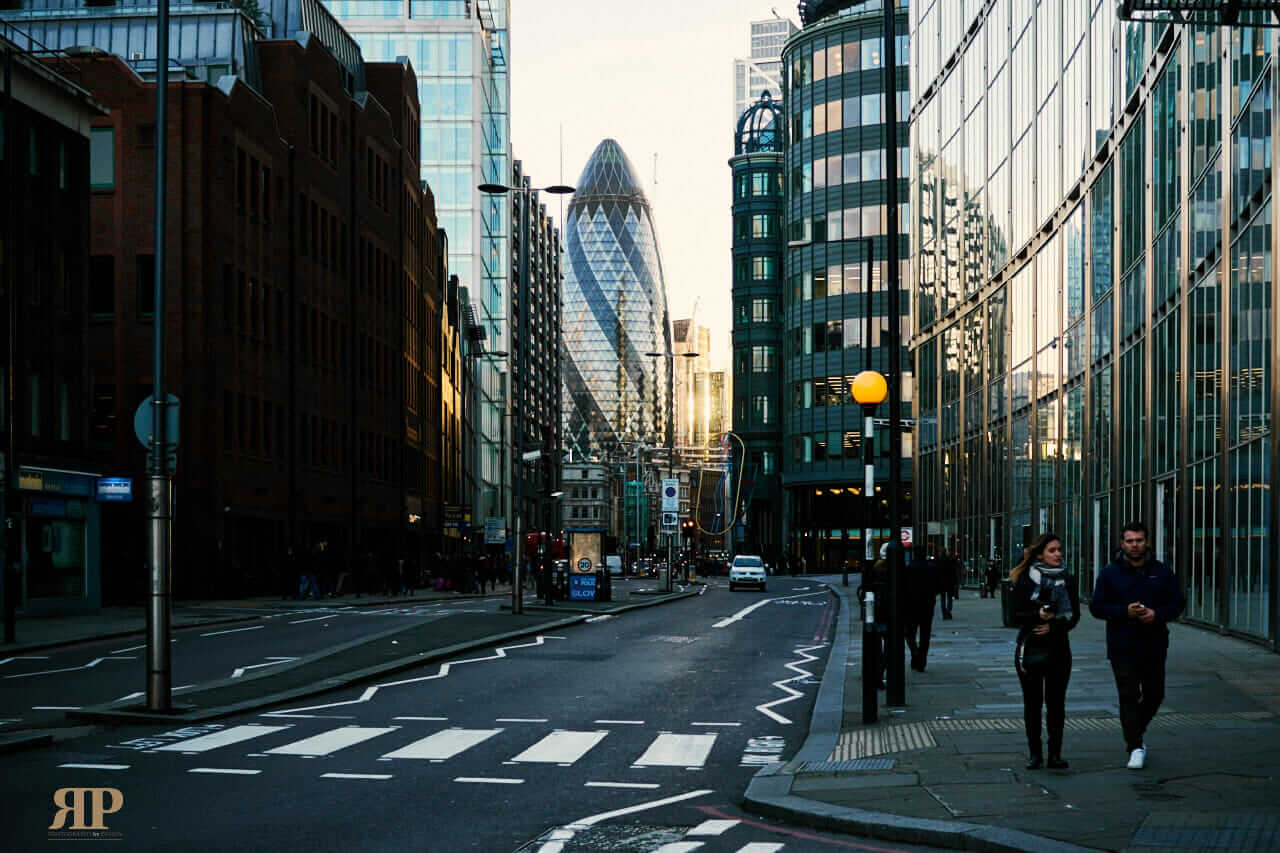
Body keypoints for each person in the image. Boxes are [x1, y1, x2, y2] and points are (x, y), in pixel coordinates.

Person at [1090, 521, 1185, 770]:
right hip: (1122, 645)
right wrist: (1124, 612)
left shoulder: (1162, 571)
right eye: (1130, 541)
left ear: (1147, 542)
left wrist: (1157, 614)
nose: (1134, 545)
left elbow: (1177, 603)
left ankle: (1134, 731)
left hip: (1154, 643)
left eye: (1139, 540)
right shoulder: (1110, 572)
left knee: (1155, 694)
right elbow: (1096, 607)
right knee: (1128, 696)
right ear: (1122, 543)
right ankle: (1135, 746)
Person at [1011, 532, 1080, 770]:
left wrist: (1053, 625)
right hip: (1029, 649)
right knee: (1032, 703)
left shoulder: (1068, 579)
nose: (1058, 554)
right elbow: (1014, 614)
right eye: (1052, 550)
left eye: (1059, 549)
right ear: (1040, 554)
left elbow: (1074, 617)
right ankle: (1035, 754)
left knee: (1056, 703)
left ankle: (1055, 754)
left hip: (1058, 647)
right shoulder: (1026, 579)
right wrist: (1036, 616)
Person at [903, 549, 939, 672]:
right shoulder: (932, 568)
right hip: (927, 605)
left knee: (909, 633)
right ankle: (921, 661)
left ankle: (915, 653)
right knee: (925, 635)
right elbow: (938, 586)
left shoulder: (908, 568)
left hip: (911, 605)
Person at [939, 549, 960, 619]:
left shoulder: (939, 561)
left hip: (942, 583)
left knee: (943, 599)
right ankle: (948, 611)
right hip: (949, 583)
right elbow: (953, 572)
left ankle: (944, 612)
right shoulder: (950, 561)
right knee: (949, 598)